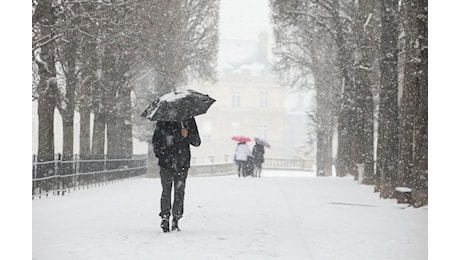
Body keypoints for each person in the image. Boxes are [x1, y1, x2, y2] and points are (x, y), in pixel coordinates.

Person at [152, 117, 201, 232]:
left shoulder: (187, 120)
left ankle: (176, 218)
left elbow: (197, 142)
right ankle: (165, 217)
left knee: (179, 191)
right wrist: (161, 154)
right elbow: (156, 140)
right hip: (166, 162)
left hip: (182, 162)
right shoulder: (163, 120)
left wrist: (187, 135)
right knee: (166, 190)